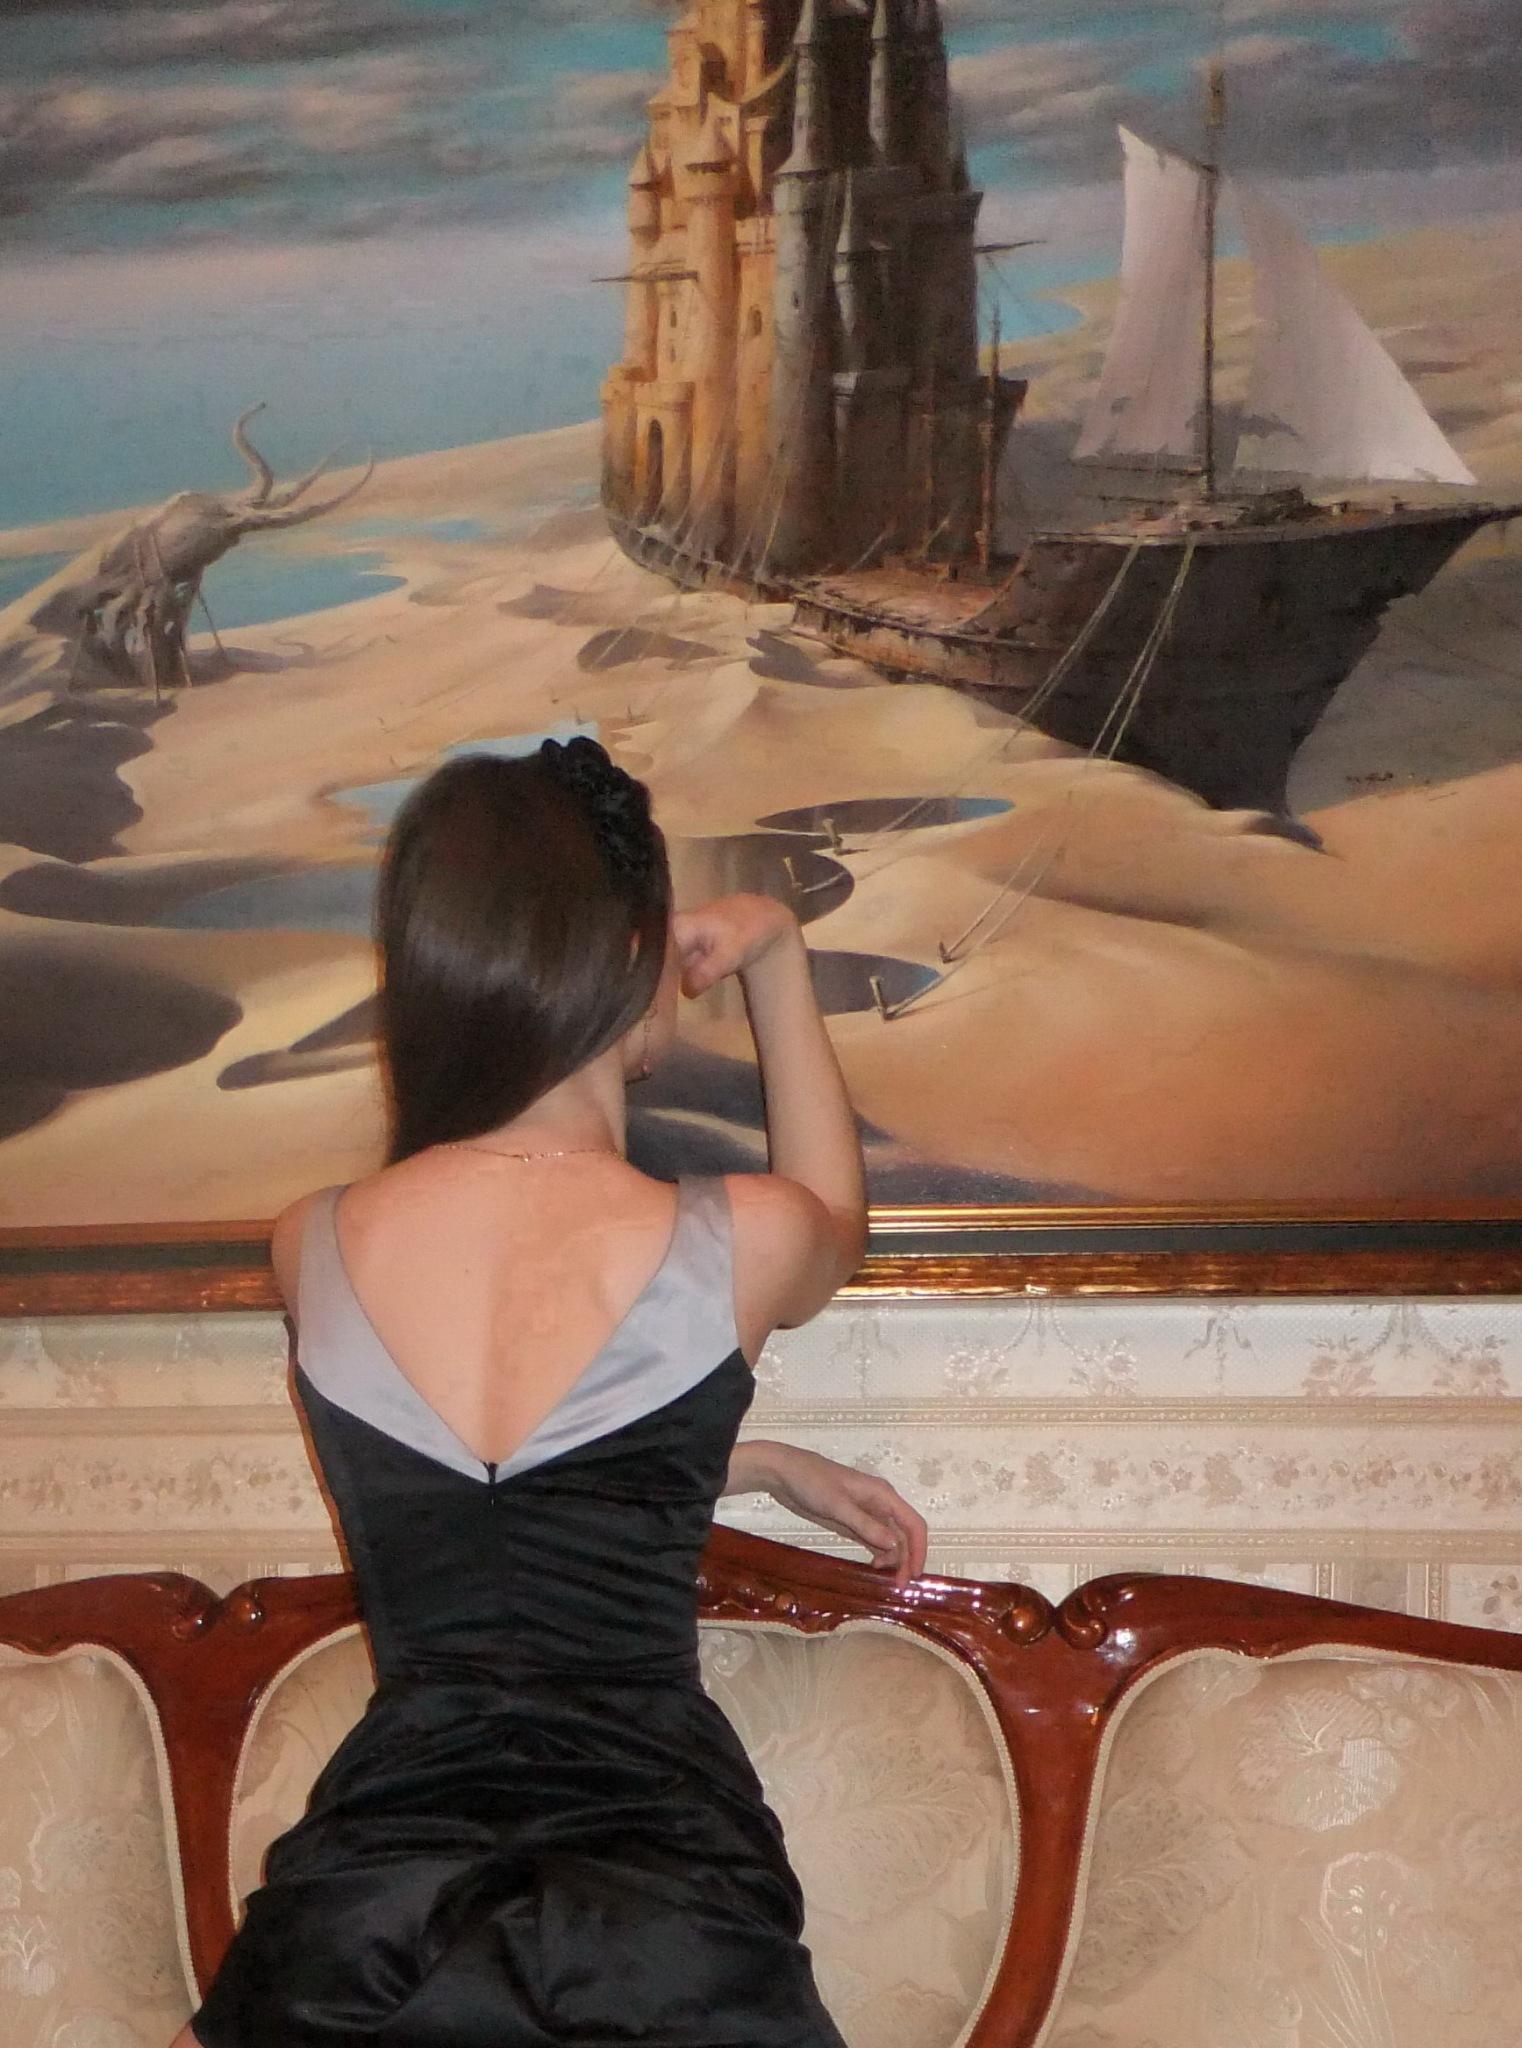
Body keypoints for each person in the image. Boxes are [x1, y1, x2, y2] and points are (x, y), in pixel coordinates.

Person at [176, 737, 927, 2048]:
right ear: (634, 955)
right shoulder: (740, 1237)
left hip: (371, 1900)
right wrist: (773, 957)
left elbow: (481, 1497)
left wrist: (740, 1464)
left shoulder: (316, 1241)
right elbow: (835, 1226)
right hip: (659, 1898)